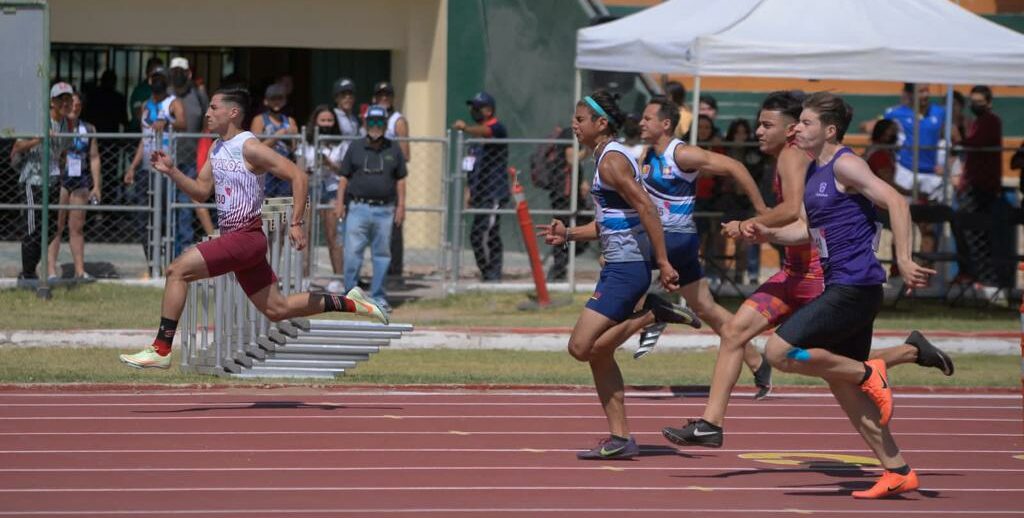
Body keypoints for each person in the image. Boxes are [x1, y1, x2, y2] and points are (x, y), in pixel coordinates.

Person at [663, 91, 954, 451]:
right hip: (793, 270)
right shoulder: (806, 160)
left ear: (792, 130)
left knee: (834, 368)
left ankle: (902, 357)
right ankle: (711, 423)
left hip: (819, 274)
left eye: (769, 125)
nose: (758, 131)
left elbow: (790, 210)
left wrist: (753, 222)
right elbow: (803, 220)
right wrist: (763, 228)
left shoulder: (795, 156)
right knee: (738, 331)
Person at [738, 92, 935, 499]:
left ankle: (873, 371)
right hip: (842, 285)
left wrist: (904, 259)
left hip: (857, 286)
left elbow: (896, 200)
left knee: (778, 352)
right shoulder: (813, 174)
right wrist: (767, 232)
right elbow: (806, 233)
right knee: (842, 386)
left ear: (829, 130)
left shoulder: (846, 163)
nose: (798, 128)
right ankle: (897, 469)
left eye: (806, 123)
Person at [119, 87, 388, 370]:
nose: (207, 113)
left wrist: (296, 222)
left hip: (245, 238)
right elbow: (200, 191)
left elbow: (298, 176)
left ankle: (161, 348)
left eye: (213, 107)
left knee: (177, 270)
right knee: (278, 309)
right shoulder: (216, 147)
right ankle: (350, 302)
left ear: (233, 113)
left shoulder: (250, 146)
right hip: (240, 241)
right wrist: (172, 171)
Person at [538, 90, 699, 460]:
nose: (574, 126)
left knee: (580, 347)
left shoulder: (611, 162)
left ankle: (653, 313)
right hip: (619, 265)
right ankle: (621, 439)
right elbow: (613, 221)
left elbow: (646, 208)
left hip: (627, 268)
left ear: (601, 124)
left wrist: (663, 261)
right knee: (598, 353)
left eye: (580, 120)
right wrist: (569, 235)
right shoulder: (605, 158)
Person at [631, 98, 770, 395]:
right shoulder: (645, 154)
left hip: (673, 237)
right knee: (706, 307)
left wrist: (760, 209)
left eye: (647, 118)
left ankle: (656, 312)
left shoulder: (682, 154)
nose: (641, 123)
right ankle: (758, 362)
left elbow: (735, 166)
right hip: (674, 241)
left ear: (665, 124)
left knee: (616, 267)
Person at [334, 105, 408, 311]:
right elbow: (343, 177)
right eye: (371, 122)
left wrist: (401, 206)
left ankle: (378, 296)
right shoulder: (355, 147)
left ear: (385, 124)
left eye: (379, 122)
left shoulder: (394, 149)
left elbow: (401, 179)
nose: (375, 126)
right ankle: (350, 295)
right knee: (352, 253)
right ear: (365, 124)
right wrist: (340, 203)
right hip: (357, 208)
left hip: (385, 210)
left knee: (382, 255)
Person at [11, 82, 73, 283]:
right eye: (60, 99)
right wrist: (39, 139)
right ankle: (27, 274)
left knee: (51, 228)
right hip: (33, 179)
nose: (65, 103)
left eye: (68, 99)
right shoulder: (39, 120)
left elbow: (63, 151)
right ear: (52, 102)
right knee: (32, 227)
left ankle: (31, 268)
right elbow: (18, 145)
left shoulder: (66, 124)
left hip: (53, 179)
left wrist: (62, 164)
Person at [125, 66, 185, 269]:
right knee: (144, 217)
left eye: (161, 78)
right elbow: (144, 139)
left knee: (166, 215)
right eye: (154, 78)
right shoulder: (145, 105)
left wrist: (167, 121)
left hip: (167, 167)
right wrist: (132, 166)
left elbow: (183, 123)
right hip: (146, 168)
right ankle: (151, 260)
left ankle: (168, 258)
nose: (157, 81)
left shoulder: (173, 102)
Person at [453, 91, 509, 282]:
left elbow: (488, 132)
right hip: (479, 192)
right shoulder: (474, 139)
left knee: (486, 233)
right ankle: (487, 272)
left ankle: (493, 273)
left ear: (488, 110)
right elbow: (471, 166)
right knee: (477, 234)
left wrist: (466, 128)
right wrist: (468, 192)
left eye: (478, 108)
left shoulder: (496, 128)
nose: (473, 111)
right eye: (472, 107)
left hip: (494, 192)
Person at [46, 93, 101, 281]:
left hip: (81, 180)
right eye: (71, 104)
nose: (74, 108)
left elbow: (94, 157)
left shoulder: (88, 128)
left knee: (76, 227)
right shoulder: (56, 125)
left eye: (78, 105)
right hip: (60, 179)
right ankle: (51, 271)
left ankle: (80, 270)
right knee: (56, 227)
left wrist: (97, 186)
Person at [955, 85, 1003, 286]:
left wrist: (958, 135)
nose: (975, 105)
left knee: (977, 232)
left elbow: (974, 143)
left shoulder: (990, 121)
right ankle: (975, 275)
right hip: (973, 183)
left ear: (989, 103)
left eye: (979, 102)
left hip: (983, 185)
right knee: (969, 229)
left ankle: (983, 277)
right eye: (973, 101)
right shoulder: (978, 122)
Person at [297, 106, 345, 292]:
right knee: (305, 235)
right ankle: (305, 277)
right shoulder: (306, 144)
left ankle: (338, 278)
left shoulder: (340, 144)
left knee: (332, 235)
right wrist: (307, 169)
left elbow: (343, 171)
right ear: (315, 121)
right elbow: (298, 167)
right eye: (322, 120)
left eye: (329, 121)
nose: (326, 124)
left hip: (331, 189)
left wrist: (328, 163)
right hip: (309, 188)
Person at [169, 57, 214, 256]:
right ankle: (165, 251)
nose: (178, 75)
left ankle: (183, 251)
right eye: (174, 71)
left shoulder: (198, 94)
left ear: (189, 73)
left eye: (182, 71)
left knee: (186, 207)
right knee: (165, 206)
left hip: (190, 159)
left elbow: (208, 122)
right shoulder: (166, 95)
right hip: (166, 159)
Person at [372, 80, 410, 279]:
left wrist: (387, 160)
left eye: (387, 95)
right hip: (372, 178)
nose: (384, 99)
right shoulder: (370, 118)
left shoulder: (397, 120)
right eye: (380, 95)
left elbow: (405, 154)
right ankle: (379, 271)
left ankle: (396, 271)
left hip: (391, 177)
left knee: (394, 224)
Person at [251, 84, 299, 198]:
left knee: (284, 203)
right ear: (266, 101)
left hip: (284, 166)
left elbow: (294, 149)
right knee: (265, 203)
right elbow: (254, 148)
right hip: (266, 168)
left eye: (280, 98)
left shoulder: (290, 121)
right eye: (273, 99)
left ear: (285, 100)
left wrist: (293, 137)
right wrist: (277, 137)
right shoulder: (260, 120)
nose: (277, 102)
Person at [128, 57, 164, 133]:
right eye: (153, 70)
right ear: (147, 71)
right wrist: (154, 126)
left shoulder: (167, 90)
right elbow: (139, 114)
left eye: (159, 71)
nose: (156, 73)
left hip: (162, 134)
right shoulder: (139, 90)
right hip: (139, 132)